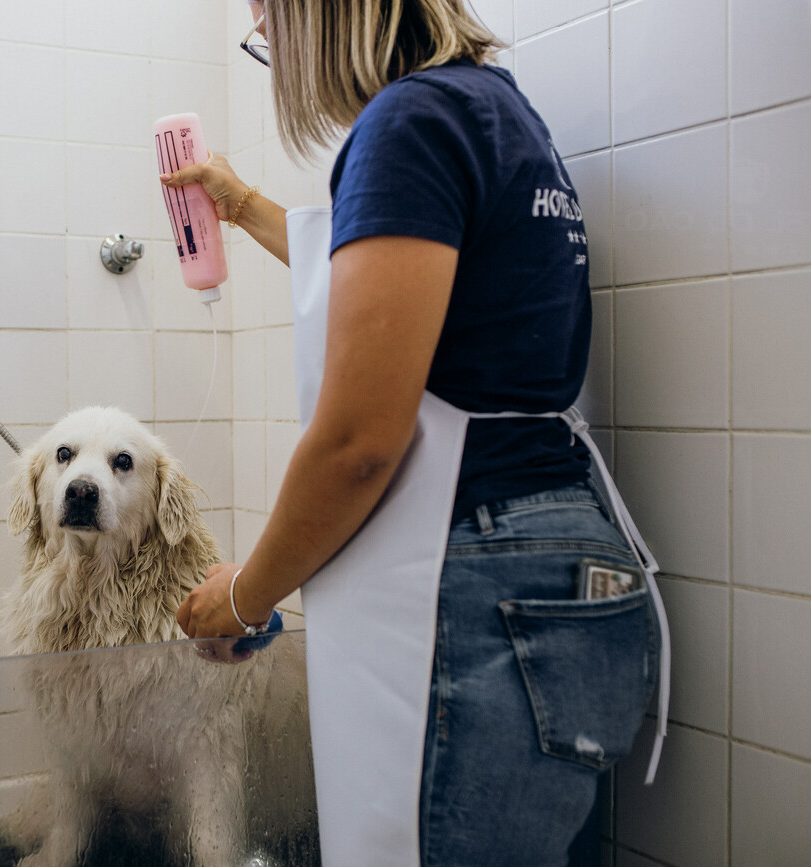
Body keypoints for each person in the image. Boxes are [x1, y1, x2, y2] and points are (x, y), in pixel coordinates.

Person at [168, 2, 667, 866]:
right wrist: (241, 204)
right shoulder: (494, 111)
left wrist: (246, 595)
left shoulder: (411, 121)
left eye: (267, 32)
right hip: (564, 566)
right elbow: (389, 283)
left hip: (480, 583)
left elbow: (359, 440)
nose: (275, 56)